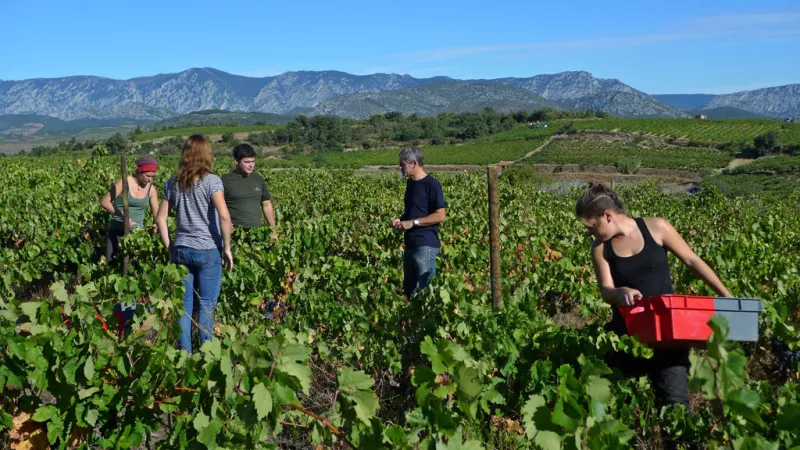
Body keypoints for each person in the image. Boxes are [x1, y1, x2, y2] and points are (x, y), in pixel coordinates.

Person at [576, 182, 731, 448]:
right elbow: (605, 290)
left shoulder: (657, 227)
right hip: (628, 337)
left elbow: (692, 261)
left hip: (668, 335)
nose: (590, 232)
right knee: (613, 404)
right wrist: (620, 292)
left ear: (608, 216)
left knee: (674, 408)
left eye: (591, 226)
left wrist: (725, 295)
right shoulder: (600, 249)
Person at [155, 135, 234, 352]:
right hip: (208, 250)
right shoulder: (212, 181)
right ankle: (206, 357)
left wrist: (170, 246)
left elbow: (160, 218)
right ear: (207, 155)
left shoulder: (173, 182)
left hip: (182, 249)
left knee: (184, 307)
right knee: (207, 306)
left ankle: (184, 357)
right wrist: (227, 248)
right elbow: (224, 217)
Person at [392, 146, 446, 298]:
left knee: (423, 294)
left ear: (413, 163)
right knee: (409, 292)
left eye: (402, 164)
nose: (400, 167)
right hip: (410, 244)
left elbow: (440, 215)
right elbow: (415, 212)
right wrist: (401, 220)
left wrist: (413, 223)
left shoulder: (432, 184)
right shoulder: (410, 185)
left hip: (425, 244)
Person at [100, 157, 160, 261]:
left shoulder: (151, 189)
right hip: (117, 231)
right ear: (140, 172)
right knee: (112, 265)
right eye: (148, 176)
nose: (150, 179)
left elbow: (157, 215)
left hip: (137, 236)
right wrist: (123, 216)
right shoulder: (124, 183)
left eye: (152, 177)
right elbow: (105, 202)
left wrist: (156, 224)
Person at [221, 143, 277, 237]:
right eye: (247, 162)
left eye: (253, 161)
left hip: (257, 234)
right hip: (234, 235)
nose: (251, 165)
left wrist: (273, 231)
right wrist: (224, 223)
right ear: (236, 161)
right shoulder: (225, 180)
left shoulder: (258, 179)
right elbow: (215, 206)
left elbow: (266, 205)